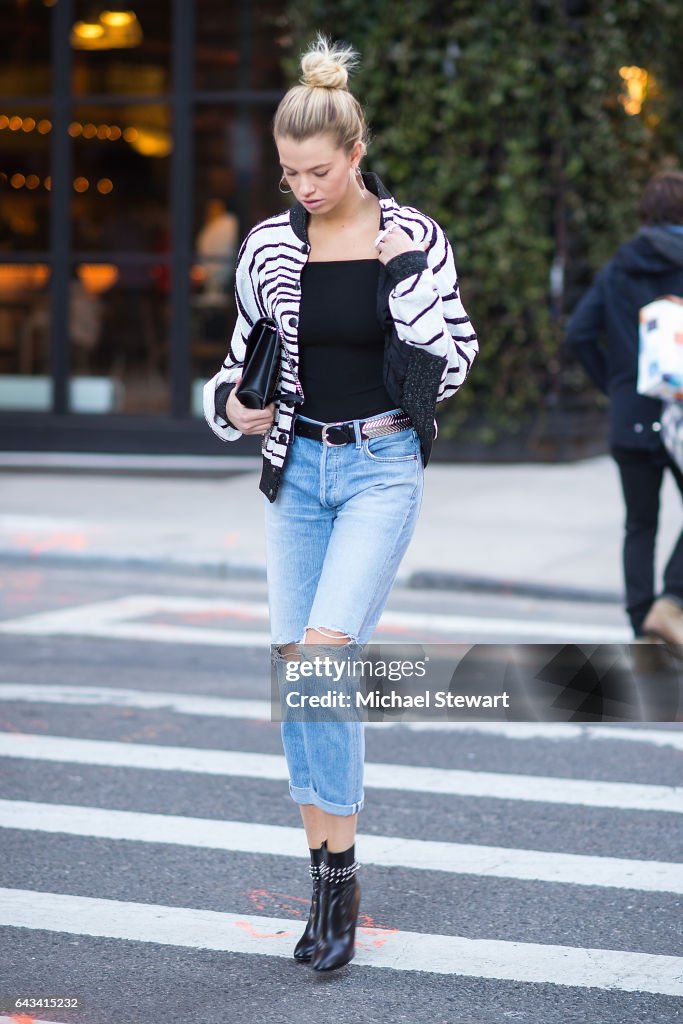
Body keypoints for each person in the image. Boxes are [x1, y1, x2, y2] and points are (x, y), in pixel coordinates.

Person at [203, 36, 477, 971]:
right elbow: (236, 367)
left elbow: (451, 366)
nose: (304, 187)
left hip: (379, 469)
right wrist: (229, 407)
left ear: (356, 154)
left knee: (323, 662)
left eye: (318, 170)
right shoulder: (268, 245)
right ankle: (325, 875)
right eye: (288, 172)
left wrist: (402, 281)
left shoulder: (414, 238)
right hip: (298, 474)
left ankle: (341, 882)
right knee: (297, 683)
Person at [565, 169, 683, 648]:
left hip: (631, 415)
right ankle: (671, 601)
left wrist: (617, 385)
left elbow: (578, 334)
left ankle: (643, 629)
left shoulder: (619, 265)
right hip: (678, 413)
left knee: (640, 523)